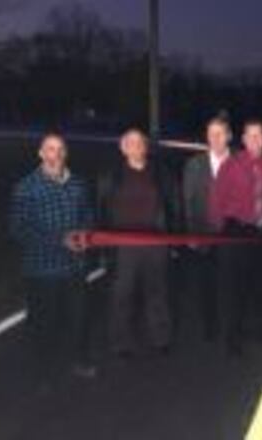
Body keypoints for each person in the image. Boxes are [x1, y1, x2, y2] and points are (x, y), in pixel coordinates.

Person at [8, 132, 96, 385]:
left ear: (65, 153)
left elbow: (87, 216)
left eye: (60, 150)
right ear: (41, 153)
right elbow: (18, 229)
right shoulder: (26, 187)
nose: (55, 155)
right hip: (42, 270)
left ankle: (78, 362)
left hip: (74, 268)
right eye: (50, 149)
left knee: (78, 319)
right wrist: (60, 240)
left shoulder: (78, 184)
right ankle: (42, 371)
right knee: (44, 323)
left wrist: (84, 234)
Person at [97, 128, 180, 357]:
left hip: (156, 243)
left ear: (145, 146)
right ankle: (120, 343)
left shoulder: (162, 173)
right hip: (123, 247)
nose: (135, 146)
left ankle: (161, 338)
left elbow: (173, 206)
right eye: (130, 143)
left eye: (139, 142)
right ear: (123, 148)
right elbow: (101, 212)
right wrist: (103, 247)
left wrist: (173, 239)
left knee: (157, 292)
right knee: (122, 295)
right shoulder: (109, 176)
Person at [210, 119, 262, 353]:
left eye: (259, 135)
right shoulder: (231, 164)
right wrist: (220, 233)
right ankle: (232, 337)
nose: (254, 140)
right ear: (242, 139)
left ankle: (261, 329)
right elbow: (217, 200)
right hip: (236, 230)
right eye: (250, 135)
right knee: (233, 287)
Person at [182, 116, 232, 341]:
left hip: (233, 235)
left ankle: (232, 326)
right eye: (211, 134)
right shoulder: (194, 164)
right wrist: (190, 234)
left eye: (220, 133)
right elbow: (188, 201)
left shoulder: (240, 162)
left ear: (229, 136)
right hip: (203, 235)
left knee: (232, 283)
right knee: (206, 285)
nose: (215, 138)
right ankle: (210, 327)